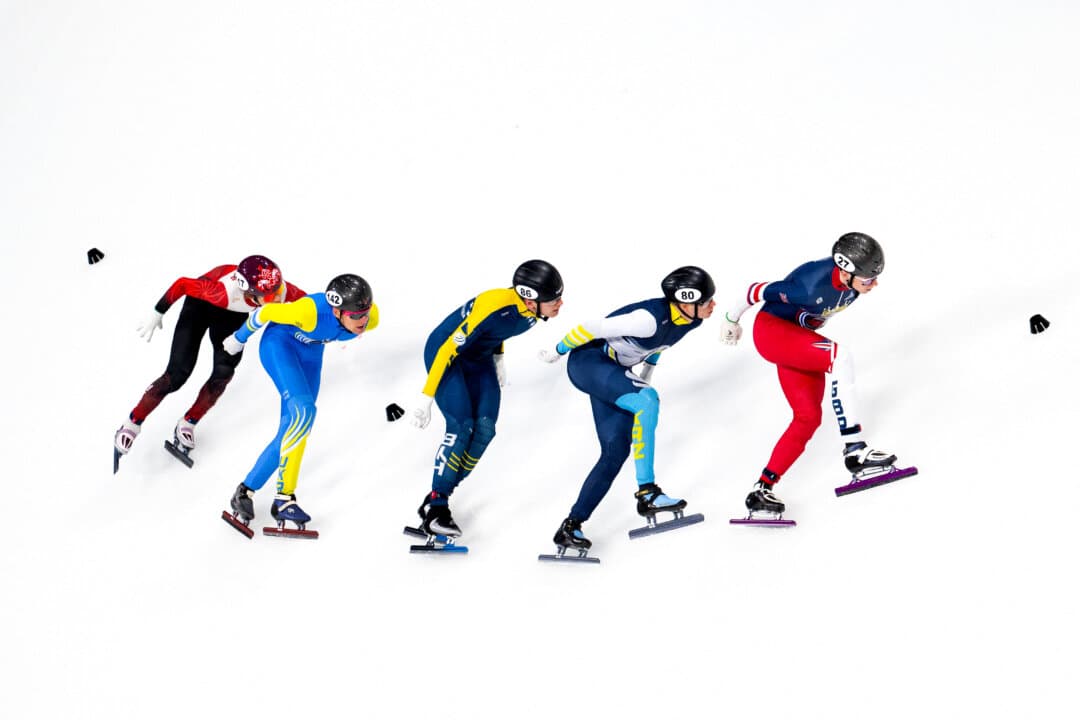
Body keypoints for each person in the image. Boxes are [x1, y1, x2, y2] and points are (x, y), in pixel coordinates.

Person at [720, 232, 897, 517]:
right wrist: (731, 319)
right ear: (845, 270)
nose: (874, 285)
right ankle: (855, 449)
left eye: (875, 278)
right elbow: (753, 290)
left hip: (795, 336)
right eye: (868, 280)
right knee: (840, 356)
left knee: (808, 418)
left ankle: (761, 488)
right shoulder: (808, 284)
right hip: (772, 332)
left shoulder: (852, 282)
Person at [540, 266, 715, 552]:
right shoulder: (646, 320)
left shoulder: (691, 320)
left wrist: (647, 371)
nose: (712, 306)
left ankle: (570, 526)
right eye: (706, 301)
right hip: (588, 362)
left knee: (615, 452)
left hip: (612, 371)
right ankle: (647, 493)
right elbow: (590, 328)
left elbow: (662, 343)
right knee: (648, 400)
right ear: (685, 302)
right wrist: (556, 352)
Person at [406, 259, 564, 538]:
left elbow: (498, 332)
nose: (560, 304)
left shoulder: (532, 313)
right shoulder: (494, 305)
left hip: (479, 359)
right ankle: (437, 507)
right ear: (530, 299)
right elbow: (447, 349)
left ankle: (437, 497)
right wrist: (426, 397)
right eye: (553, 299)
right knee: (462, 425)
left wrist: (499, 359)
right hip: (447, 355)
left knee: (486, 429)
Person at [113, 255, 305, 464]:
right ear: (249, 292)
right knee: (177, 374)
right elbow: (182, 284)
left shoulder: (278, 289)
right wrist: (157, 311)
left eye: (277, 290)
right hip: (200, 307)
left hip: (232, 317)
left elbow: (309, 304)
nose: (277, 299)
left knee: (223, 373)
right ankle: (131, 423)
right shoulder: (222, 292)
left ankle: (188, 423)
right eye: (269, 296)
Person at [224, 274, 378, 531]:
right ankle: (284, 499)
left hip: (309, 356)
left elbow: (365, 317)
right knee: (304, 413)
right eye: (356, 316)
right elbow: (263, 315)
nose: (363, 320)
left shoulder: (370, 318)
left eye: (365, 313)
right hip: (280, 346)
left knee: (296, 428)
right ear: (337, 312)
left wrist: (363, 315)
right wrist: (237, 340)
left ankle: (245, 491)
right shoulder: (308, 312)